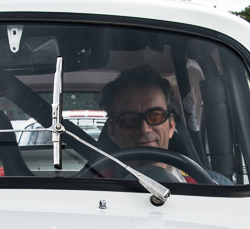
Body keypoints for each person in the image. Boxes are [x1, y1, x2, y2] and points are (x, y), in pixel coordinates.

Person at [98, 65, 230, 185]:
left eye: (155, 116)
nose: (145, 129)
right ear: (113, 131)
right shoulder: (89, 188)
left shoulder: (215, 185)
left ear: (171, 126)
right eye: (129, 119)